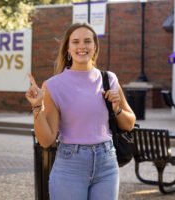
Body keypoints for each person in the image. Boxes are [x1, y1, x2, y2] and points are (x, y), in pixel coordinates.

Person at [25, 22, 136, 200]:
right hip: (70, 165)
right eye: (75, 42)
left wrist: (117, 110)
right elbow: (46, 140)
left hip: (107, 163)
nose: (82, 46)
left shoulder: (109, 78)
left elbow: (129, 123)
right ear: (68, 48)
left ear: (95, 47)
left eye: (87, 41)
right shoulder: (53, 85)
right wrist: (37, 106)